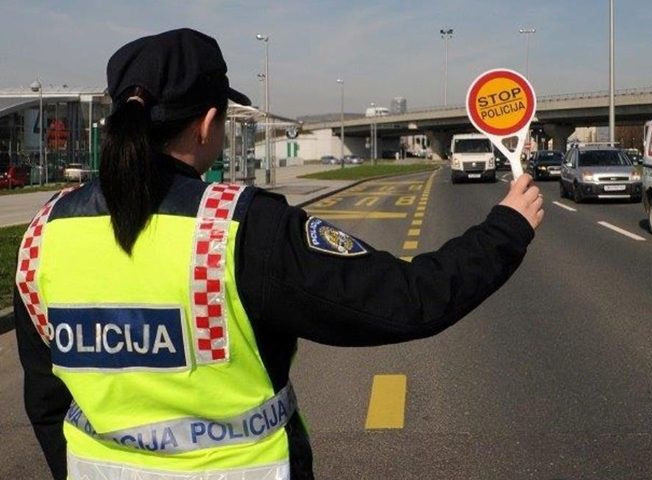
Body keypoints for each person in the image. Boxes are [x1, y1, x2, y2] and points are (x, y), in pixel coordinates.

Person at [14, 28, 544, 480]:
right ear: (207, 123)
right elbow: (407, 301)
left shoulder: (44, 233)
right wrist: (506, 229)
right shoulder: (239, 227)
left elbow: (45, 400)